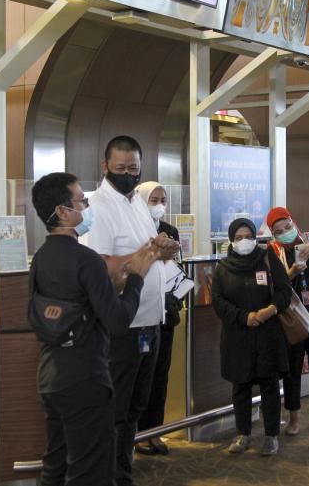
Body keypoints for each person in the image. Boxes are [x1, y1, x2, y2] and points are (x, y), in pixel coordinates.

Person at [30, 172, 156, 486]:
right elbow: (117, 320)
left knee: (55, 466)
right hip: (86, 379)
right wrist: (137, 278)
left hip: (51, 377)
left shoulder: (41, 258)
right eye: (81, 201)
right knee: (90, 471)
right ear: (61, 212)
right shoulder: (87, 260)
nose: (87, 206)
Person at [79, 136, 180, 486]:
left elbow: (149, 254)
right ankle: (111, 476)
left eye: (133, 169)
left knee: (137, 406)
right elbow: (102, 268)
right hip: (123, 326)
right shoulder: (98, 206)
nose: (127, 174)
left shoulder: (136, 202)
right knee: (116, 410)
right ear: (105, 167)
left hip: (150, 321)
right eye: (120, 168)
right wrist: (147, 255)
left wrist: (162, 249)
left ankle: (124, 470)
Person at [212, 217, 293, 456]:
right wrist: (243, 317)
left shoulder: (268, 259)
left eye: (248, 237)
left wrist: (270, 310)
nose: (244, 241)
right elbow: (218, 301)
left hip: (267, 335)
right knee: (241, 386)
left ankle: (271, 436)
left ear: (255, 239)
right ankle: (243, 434)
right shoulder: (224, 268)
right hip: (238, 336)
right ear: (231, 241)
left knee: (269, 386)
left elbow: (284, 291)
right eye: (239, 238)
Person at [266, 206, 309, 435]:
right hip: (292, 318)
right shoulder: (272, 251)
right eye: (278, 230)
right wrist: (292, 271)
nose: (285, 232)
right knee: (292, 369)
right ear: (273, 234)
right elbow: (273, 285)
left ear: (293, 222)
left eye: (287, 226)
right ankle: (293, 418)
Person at [135, 181, 182, 455]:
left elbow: (176, 269)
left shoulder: (170, 231)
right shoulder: (135, 230)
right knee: (142, 377)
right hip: (141, 315)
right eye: (153, 199)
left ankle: (156, 431)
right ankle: (139, 433)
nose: (159, 204)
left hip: (166, 314)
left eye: (163, 199)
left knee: (161, 375)